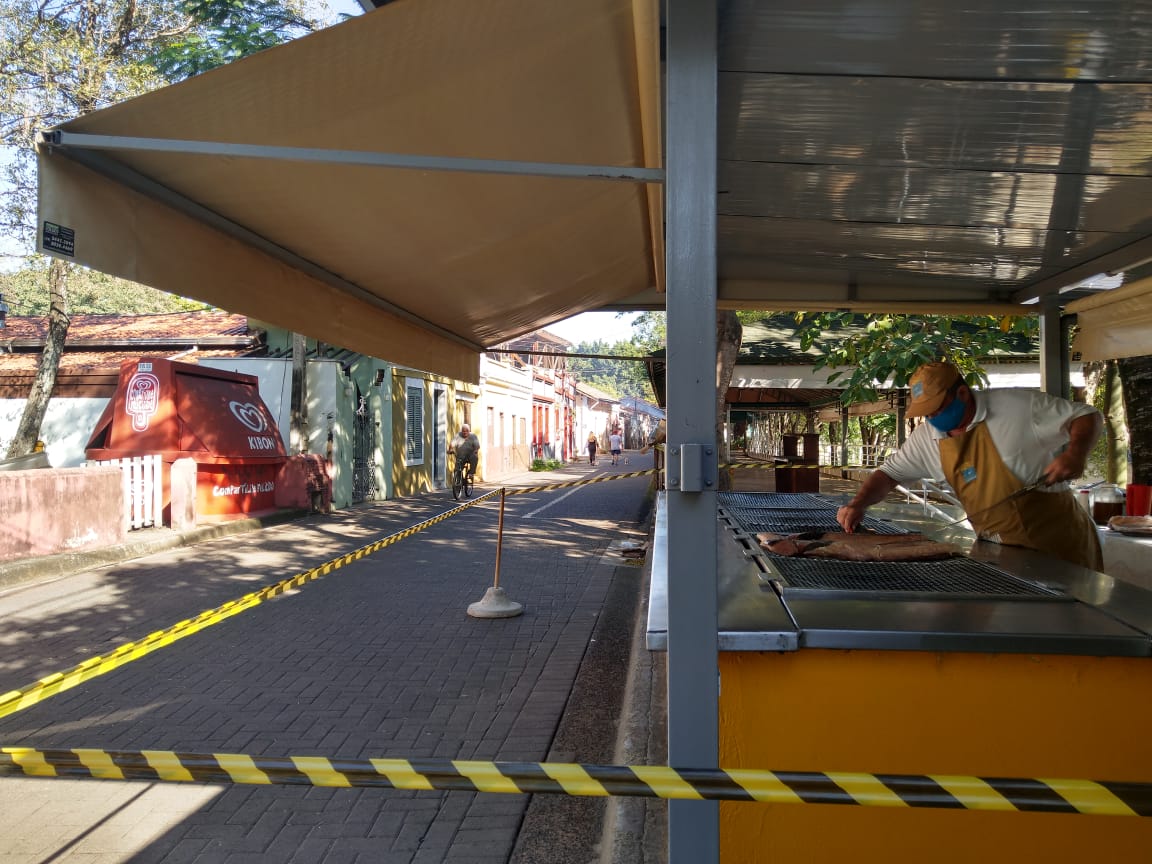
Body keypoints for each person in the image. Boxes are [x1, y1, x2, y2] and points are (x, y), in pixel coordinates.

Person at [836, 361, 1104, 570]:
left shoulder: (1018, 407)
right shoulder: (926, 438)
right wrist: (858, 503)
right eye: (926, 413)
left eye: (937, 410)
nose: (932, 418)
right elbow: (888, 474)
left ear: (962, 393)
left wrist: (1075, 453)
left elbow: (1086, 416)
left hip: (1060, 547)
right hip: (1001, 552)